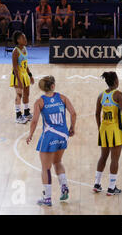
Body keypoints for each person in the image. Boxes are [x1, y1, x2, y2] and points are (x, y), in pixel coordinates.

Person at [26, 76, 77, 206]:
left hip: (49, 136)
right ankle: (64, 187)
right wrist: (72, 127)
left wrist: (30, 134)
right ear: (53, 86)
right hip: (63, 135)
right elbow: (73, 113)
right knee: (58, 162)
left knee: (45, 168)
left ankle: (47, 198)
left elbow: (34, 121)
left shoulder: (40, 102)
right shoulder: (62, 98)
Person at [94, 72, 122, 196]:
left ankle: (97, 184)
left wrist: (99, 127)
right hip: (115, 130)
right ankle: (111, 188)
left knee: (103, 157)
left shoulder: (101, 95)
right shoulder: (118, 95)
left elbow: (96, 113)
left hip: (104, 129)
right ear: (116, 81)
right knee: (114, 159)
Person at [10, 31, 34, 124]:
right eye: (23, 38)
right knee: (19, 94)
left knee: (27, 93)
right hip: (17, 75)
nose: (25, 39)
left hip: (24, 74)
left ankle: (26, 112)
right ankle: (18, 115)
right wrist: (19, 80)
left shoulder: (24, 48)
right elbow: (15, 67)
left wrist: (30, 75)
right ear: (18, 40)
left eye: (25, 37)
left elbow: (25, 64)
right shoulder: (15, 51)